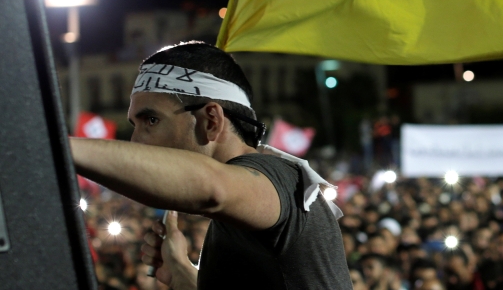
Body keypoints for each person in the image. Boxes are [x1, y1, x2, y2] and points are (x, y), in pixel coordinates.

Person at [70, 42, 351, 289]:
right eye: (135, 124)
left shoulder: (280, 179)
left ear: (211, 120)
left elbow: (211, 187)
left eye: (151, 121)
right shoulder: (236, 214)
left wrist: (60, 147)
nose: (135, 141)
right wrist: (179, 271)